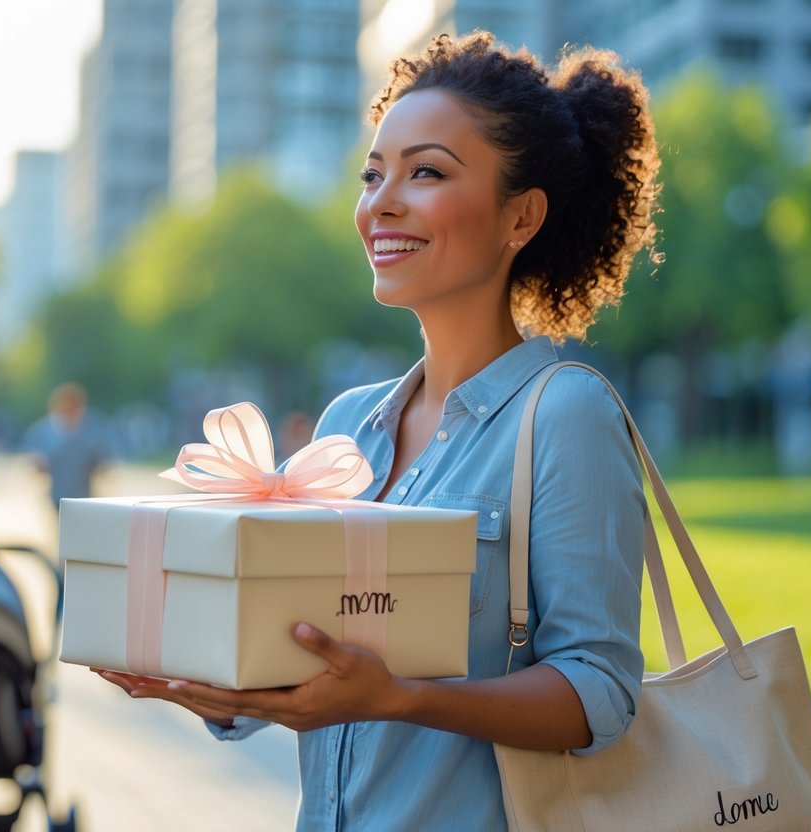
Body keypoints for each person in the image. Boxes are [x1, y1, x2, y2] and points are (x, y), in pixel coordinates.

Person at [95, 30, 661, 830]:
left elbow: (598, 694)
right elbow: (304, 660)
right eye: (373, 174)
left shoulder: (564, 413)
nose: (381, 202)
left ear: (520, 218)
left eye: (425, 172)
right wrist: (203, 682)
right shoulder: (344, 425)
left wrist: (405, 698)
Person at [22, 382, 110, 509]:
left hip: (84, 496)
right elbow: (36, 461)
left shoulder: (90, 429)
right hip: (58, 496)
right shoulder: (46, 430)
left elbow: (102, 461)